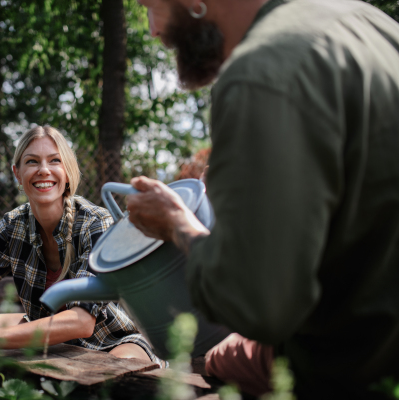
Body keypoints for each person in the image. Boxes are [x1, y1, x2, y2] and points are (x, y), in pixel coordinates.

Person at [129, 0, 399, 398]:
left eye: (150, 5)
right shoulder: (372, 25)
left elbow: (257, 302)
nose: (152, 29)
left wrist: (177, 224)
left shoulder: (261, 70)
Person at [0, 125, 162, 367]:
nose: (43, 170)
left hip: (113, 340)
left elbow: (82, 321)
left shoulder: (95, 223)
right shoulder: (13, 225)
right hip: (50, 337)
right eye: (32, 161)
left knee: (114, 375)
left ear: (68, 172)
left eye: (54, 160)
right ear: (17, 173)